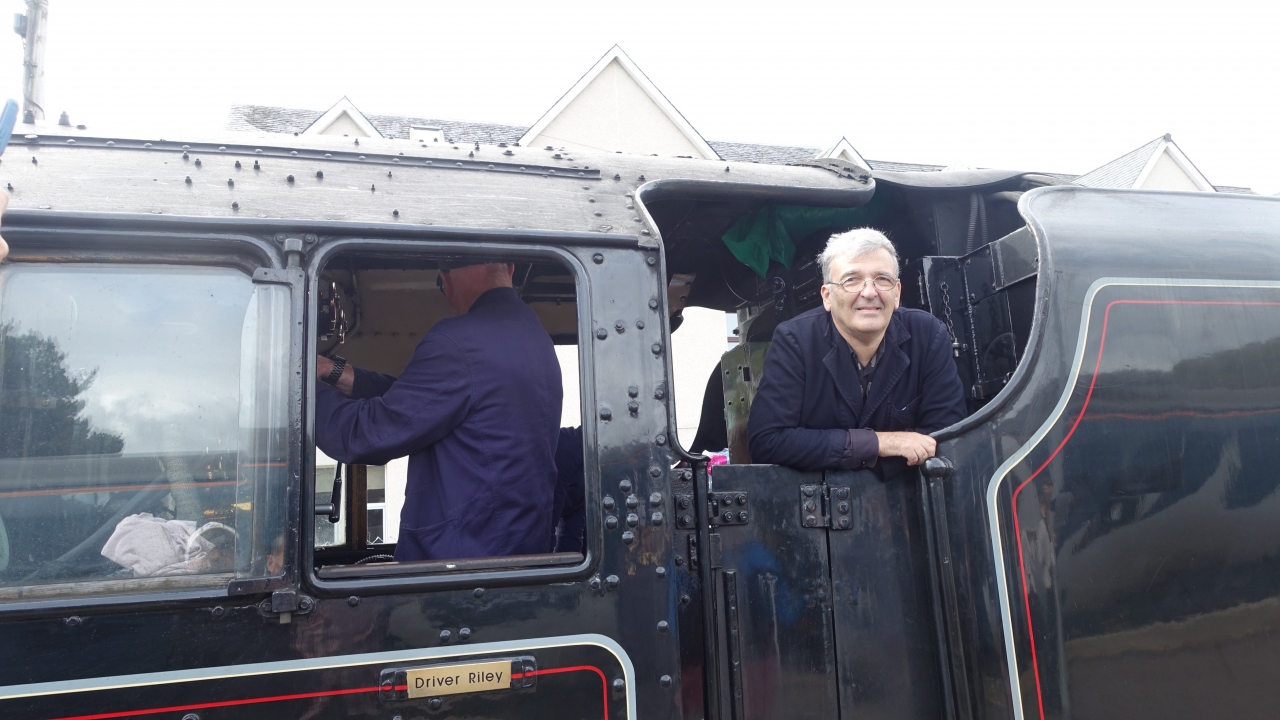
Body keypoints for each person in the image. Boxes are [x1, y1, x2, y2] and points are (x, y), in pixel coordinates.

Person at [315, 260, 562, 561]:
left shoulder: (459, 340)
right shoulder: (534, 337)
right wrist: (334, 371)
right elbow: (423, 402)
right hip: (517, 554)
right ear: (509, 268)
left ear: (447, 276)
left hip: (458, 564)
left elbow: (366, 436)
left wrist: (304, 387)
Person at [748, 228, 966, 470]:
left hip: (905, 491)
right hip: (821, 493)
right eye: (851, 280)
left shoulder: (928, 335)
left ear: (897, 293)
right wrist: (879, 443)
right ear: (827, 296)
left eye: (882, 279)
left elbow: (950, 438)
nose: (870, 292)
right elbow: (767, 442)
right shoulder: (796, 340)